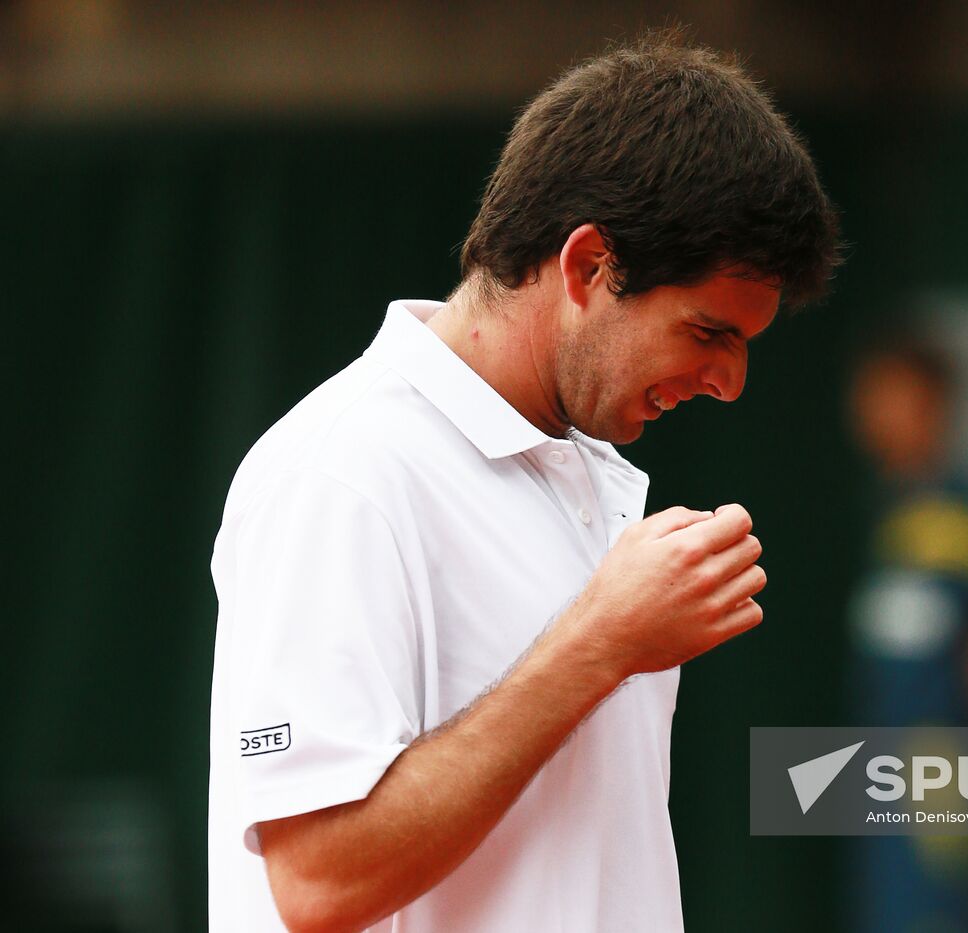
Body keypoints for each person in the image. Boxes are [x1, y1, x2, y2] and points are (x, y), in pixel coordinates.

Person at [207, 31, 839, 933]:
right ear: (587, 266)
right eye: (709, 332)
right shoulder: (341, 473)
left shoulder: (582, 472)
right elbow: (318, 880)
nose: (730, 382)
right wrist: (598, 642)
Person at [845, 330, 968, 933]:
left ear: (934, 402)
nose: (871, 409)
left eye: (890, 394)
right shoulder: (889, 507)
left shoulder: (964, 510)